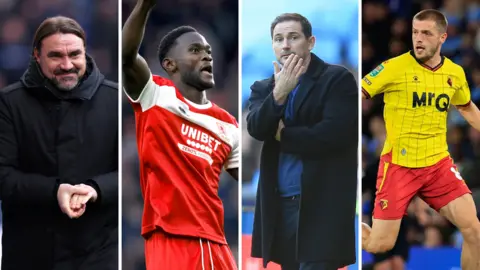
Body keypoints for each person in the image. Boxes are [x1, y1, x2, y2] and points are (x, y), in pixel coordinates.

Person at [122, 0, 239, 269]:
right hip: (170, 238)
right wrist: (143, 8)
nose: (206, 55)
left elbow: (253, 179)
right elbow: (127, 56)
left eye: (208, 51)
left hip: (216, 244)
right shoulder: (155, 95)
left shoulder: (227, 124)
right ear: (170, 64)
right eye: (195, 50)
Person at [361, 9, 480, 270]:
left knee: (473, 230)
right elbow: (358, 93)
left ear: (442, 37)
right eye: (415, 32)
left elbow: (467, 107)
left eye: (426, 33)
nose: (419, 38)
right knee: (379, 245)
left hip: (438, 165)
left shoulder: (455, 73)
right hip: (399, 168)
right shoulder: (394, 67)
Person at [0, 16, 118, 270]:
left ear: (85, 53)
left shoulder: (115, 100)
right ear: (36, 56)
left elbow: (138, 174)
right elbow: (3, 178)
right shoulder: (9, 104)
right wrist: (55, 191)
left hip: (98, 256)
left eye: (74, 54)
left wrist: (96, 189)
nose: (67, 65)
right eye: (55, 56)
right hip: (27, 256)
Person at [247, 13, 358, 270]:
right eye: (278, 39)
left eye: (293, 37)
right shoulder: (263, 88)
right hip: (280, 205)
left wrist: (284, 135)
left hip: (321, 206)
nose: (285, 44)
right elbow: (256, 128)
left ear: (311, 42)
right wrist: (280, 93)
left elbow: (332, 135)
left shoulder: (337, 79)